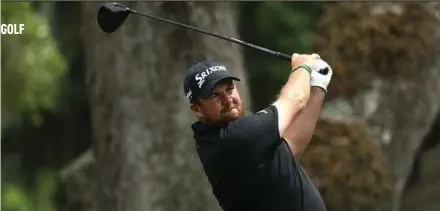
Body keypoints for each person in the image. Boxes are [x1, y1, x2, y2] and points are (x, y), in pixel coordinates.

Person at [183, 53, 333, 211]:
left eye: (230, 89)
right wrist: (303, 66)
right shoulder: (230, 139)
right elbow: (295, 100)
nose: (228, 99)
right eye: (215, 95)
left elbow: (291, 146)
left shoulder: (236, 139)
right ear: (197, 109)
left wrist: (318, 85)